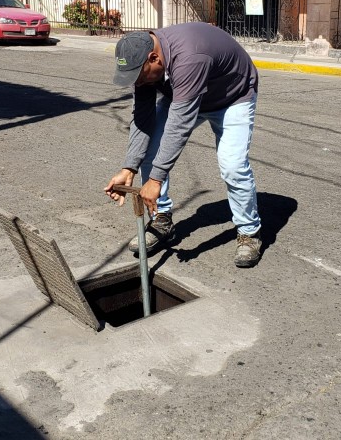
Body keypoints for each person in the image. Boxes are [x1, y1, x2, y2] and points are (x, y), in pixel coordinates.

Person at [104, 22, 263, 268]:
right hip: (183, 94)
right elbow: (143, 118)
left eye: (139, 76)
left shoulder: (190, 57)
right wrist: (129, 167)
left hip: (233, 98)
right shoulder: (145, 68)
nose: (137, 82)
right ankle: (162, 222)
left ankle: (249, 232)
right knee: (149, 150)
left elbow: (179, 126)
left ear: (154, 58)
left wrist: (155, 180)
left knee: (233, 165)